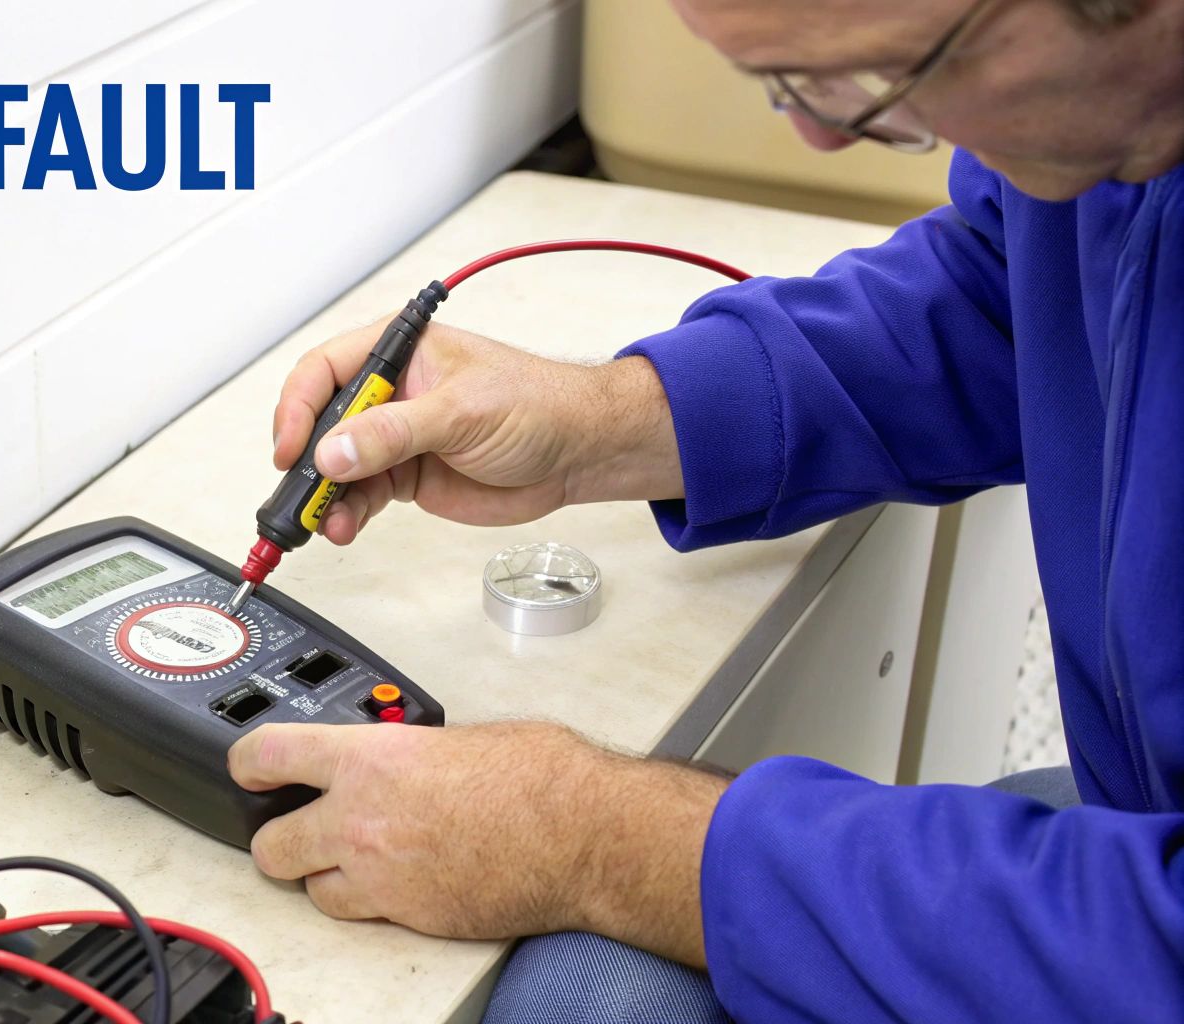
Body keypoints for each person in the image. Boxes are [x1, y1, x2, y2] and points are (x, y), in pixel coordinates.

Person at [224, 0, 1184, 1020]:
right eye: (781, 82)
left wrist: (591, 838)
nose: (817, 134)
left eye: (879, 74)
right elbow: (1002, 295)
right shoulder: (1106, 130)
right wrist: (608, 420)